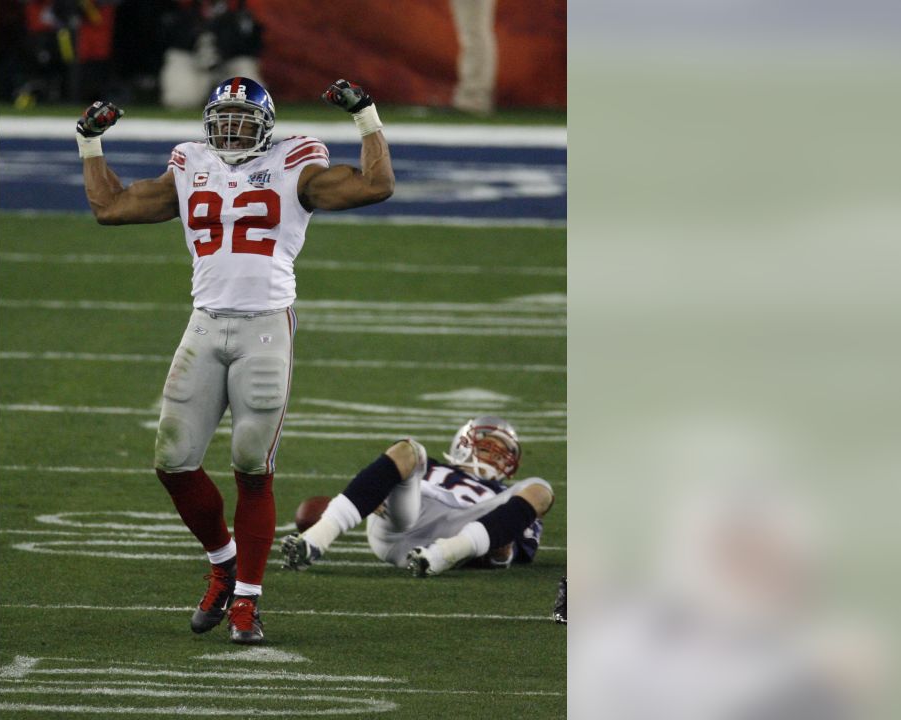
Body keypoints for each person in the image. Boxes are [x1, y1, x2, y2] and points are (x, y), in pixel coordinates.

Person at [74, 77, 395, 644]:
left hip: (265, 328)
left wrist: (366, 116)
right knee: (172, 461)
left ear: (266, 125)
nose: (230, 129)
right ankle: (223, 563)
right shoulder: (190, 163)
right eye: (222, 117)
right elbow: (112, 207)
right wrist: (89, 142)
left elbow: (375, 185)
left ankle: (247, 602)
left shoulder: (296, 163)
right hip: (204, 322)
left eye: (243, 119)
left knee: (252, 466)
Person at [280, 415, 554, 577]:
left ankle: (442, 556)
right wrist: (378, 491)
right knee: (408, 448)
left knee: (541, 489)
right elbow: (378, 479)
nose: (495, 457)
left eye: (503, 453)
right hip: (403, 519)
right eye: (489, 448)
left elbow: (508, 555)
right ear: (464, 445)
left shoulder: (507, 496)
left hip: (460, 534)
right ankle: (315, 540)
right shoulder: (433, 465)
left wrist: (500, 550)